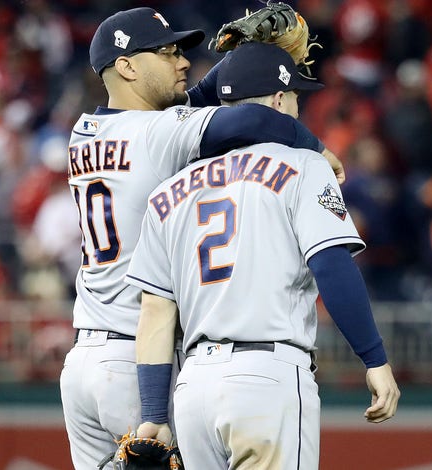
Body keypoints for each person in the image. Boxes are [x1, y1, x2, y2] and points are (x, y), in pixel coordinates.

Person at [60, 9, 344, 470]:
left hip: (84, 365)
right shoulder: (158, 133)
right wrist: (314, 147)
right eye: (168, 52)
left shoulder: (85, 130)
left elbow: (187, 104)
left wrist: (236, 63)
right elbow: (253, 121)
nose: (183, 62)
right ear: (128, 65)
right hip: (141, 360)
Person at [126, 42, 400, 469]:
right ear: (277, 99)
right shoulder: (304, 165)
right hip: (265, 376)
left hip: (193, 389)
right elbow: (330, 263)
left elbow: (156, 314)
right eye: (294, 96)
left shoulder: (167, 192)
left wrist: (154, 416)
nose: (297, 107)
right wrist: (374, 358)